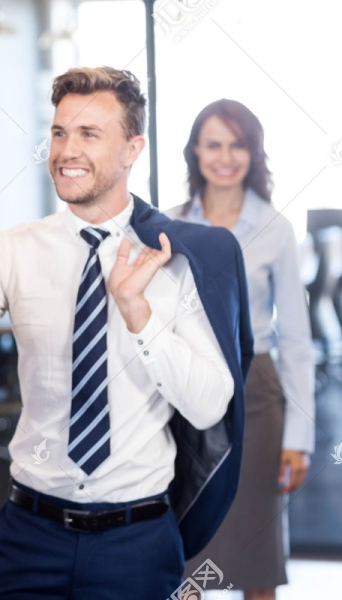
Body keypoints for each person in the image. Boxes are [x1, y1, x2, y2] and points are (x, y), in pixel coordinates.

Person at [0, 67, 251, 600]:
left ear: (132, 148)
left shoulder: (179, 260)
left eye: (88, 134)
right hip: (26, 537)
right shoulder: (11, 250)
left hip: (137, 543)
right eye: (59, 132)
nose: (66, 150)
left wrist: (137, 312)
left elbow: (208, 406)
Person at [167, 99, 314, 600]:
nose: (225, 156)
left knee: (256, 556)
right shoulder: (172, 224)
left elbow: (296, 339)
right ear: (195, 151)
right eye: (213, 143)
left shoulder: (276, 230)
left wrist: (300, 436)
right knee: (185, 550)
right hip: (186, 390)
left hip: (256, 391)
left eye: (237, 144)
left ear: (253, 153)